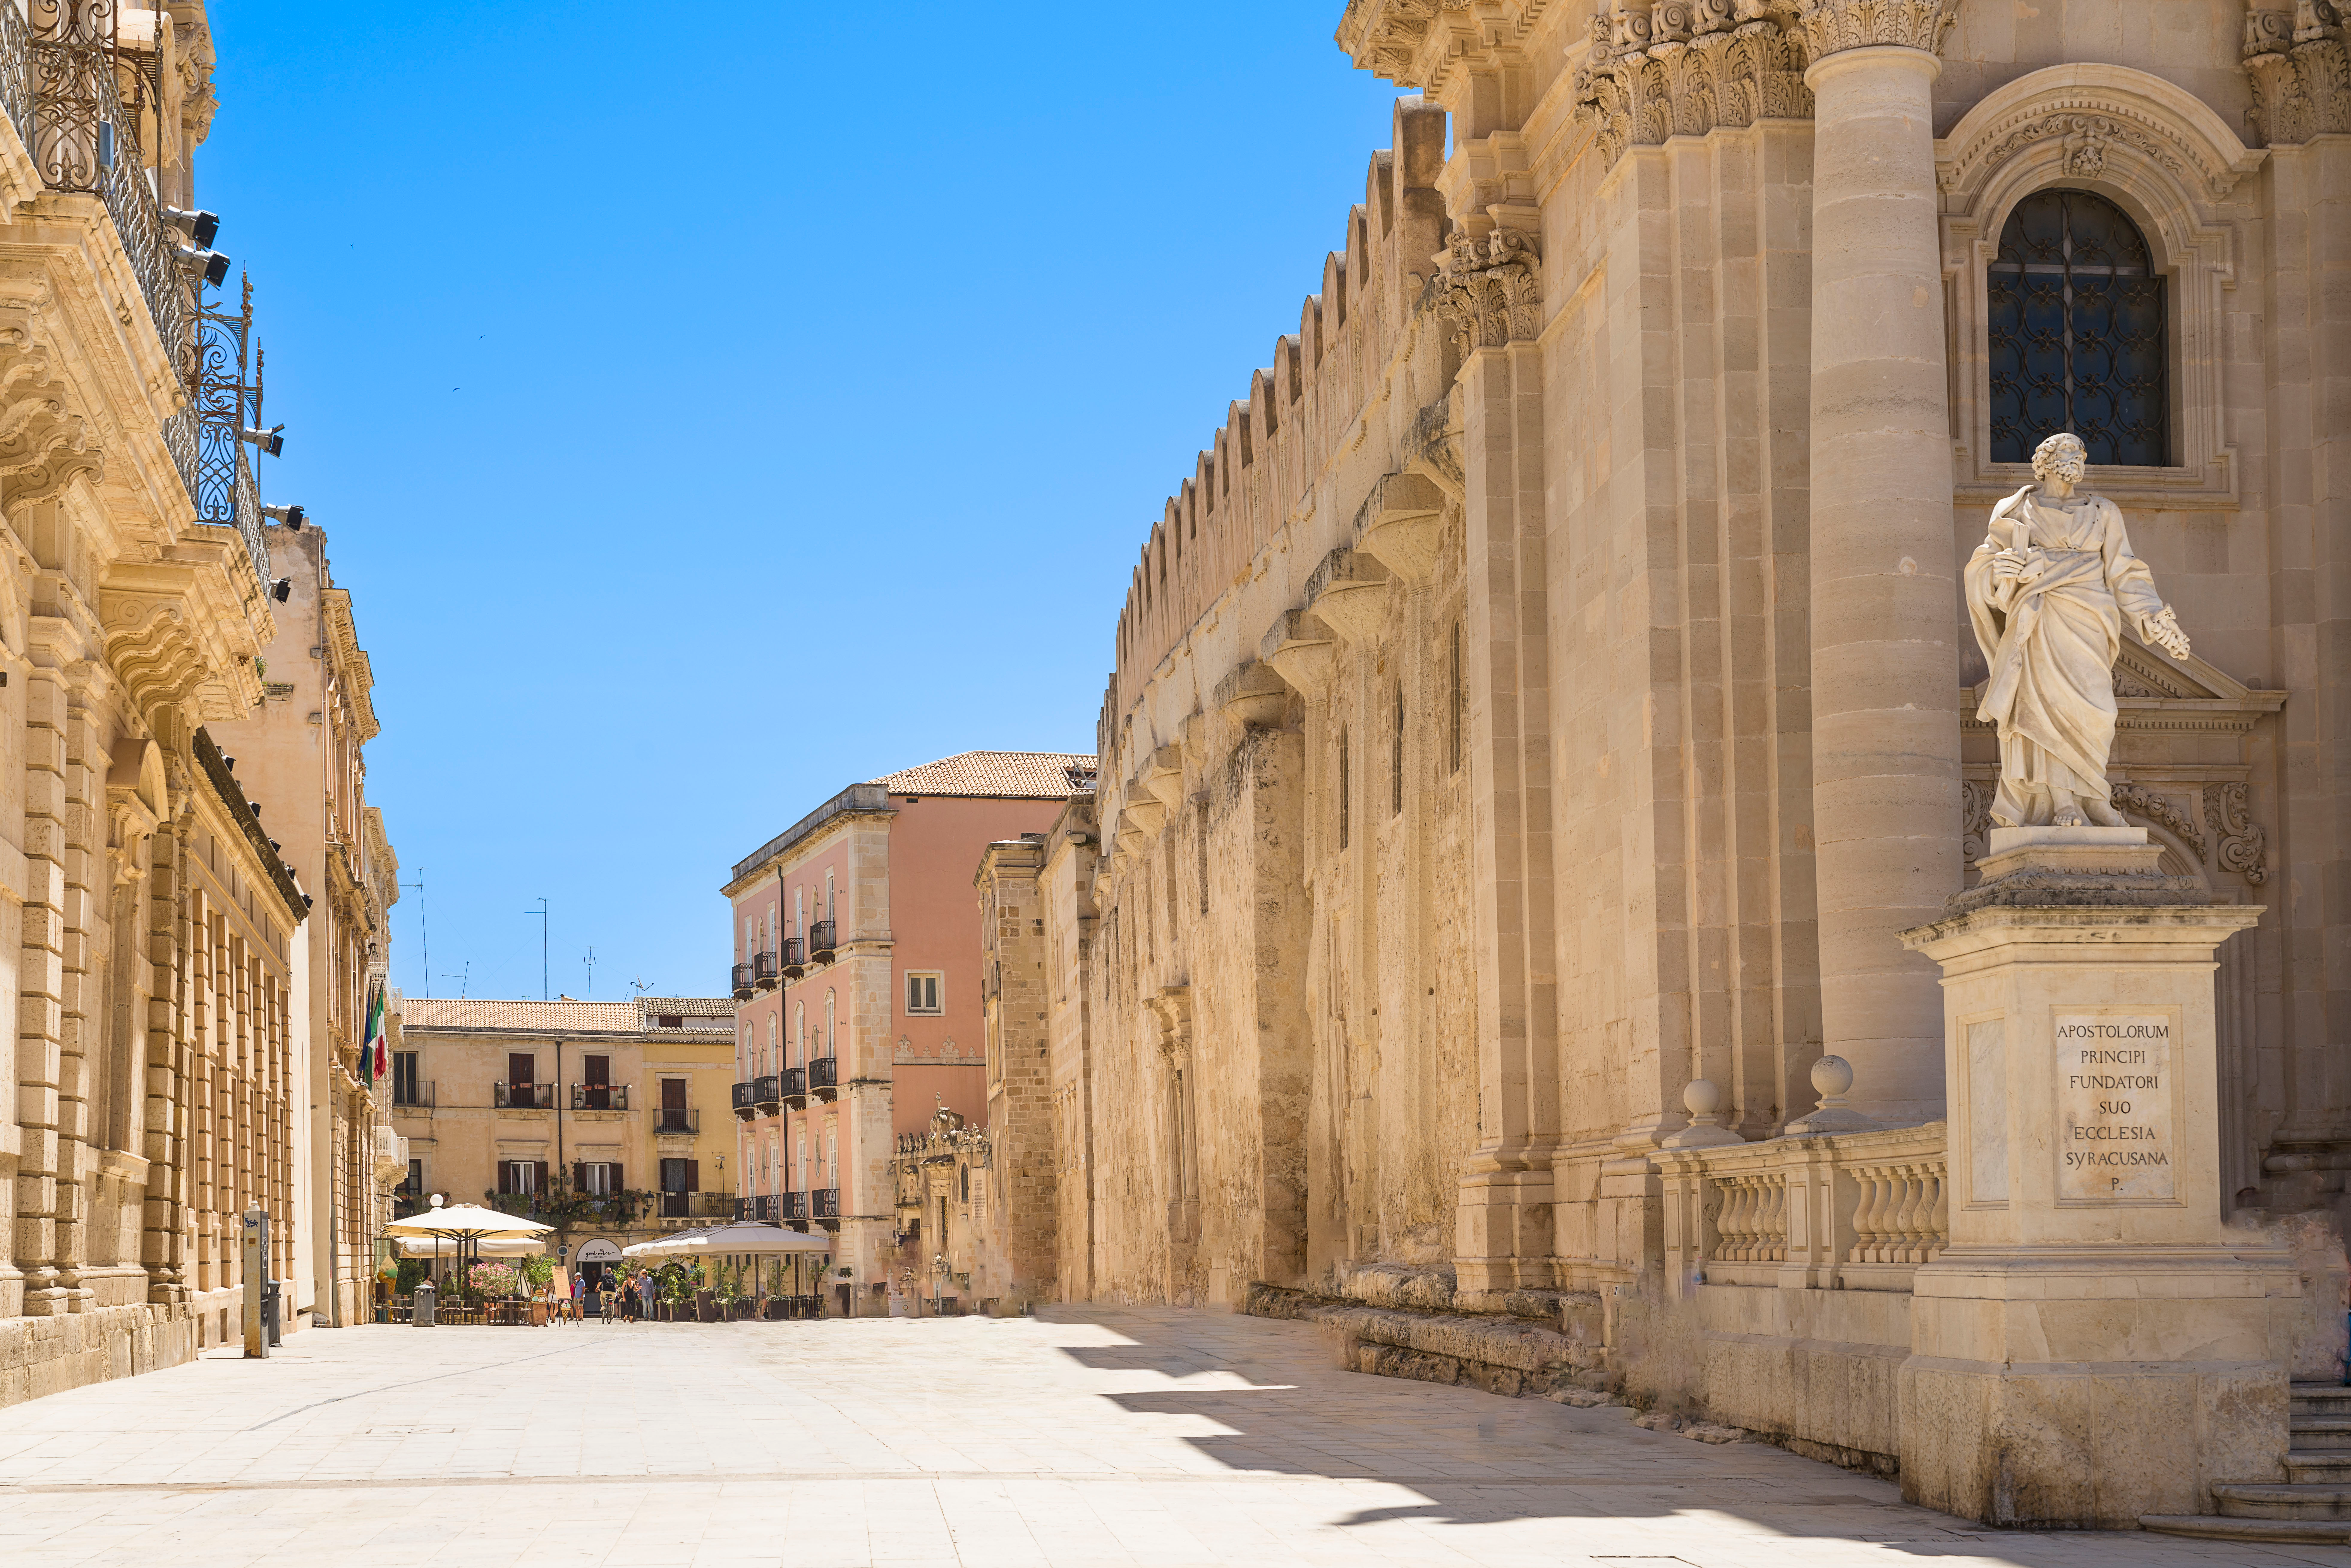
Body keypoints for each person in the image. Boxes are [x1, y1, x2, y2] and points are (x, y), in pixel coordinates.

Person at [1964, 431, 2191, 829]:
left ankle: (2094, 793)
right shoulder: (2018, 510)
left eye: (2080, 454)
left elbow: (2126, 572)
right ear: (2045, 461)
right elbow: (1986, 565)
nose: (2077, 459)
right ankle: (2065, 801)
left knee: (2096, 711)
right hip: (2041, 616)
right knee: (2045, 708)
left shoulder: (2104, 511)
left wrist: (2155, 618)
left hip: (2092, 618)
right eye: (2068, 452)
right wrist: (2000, 574)